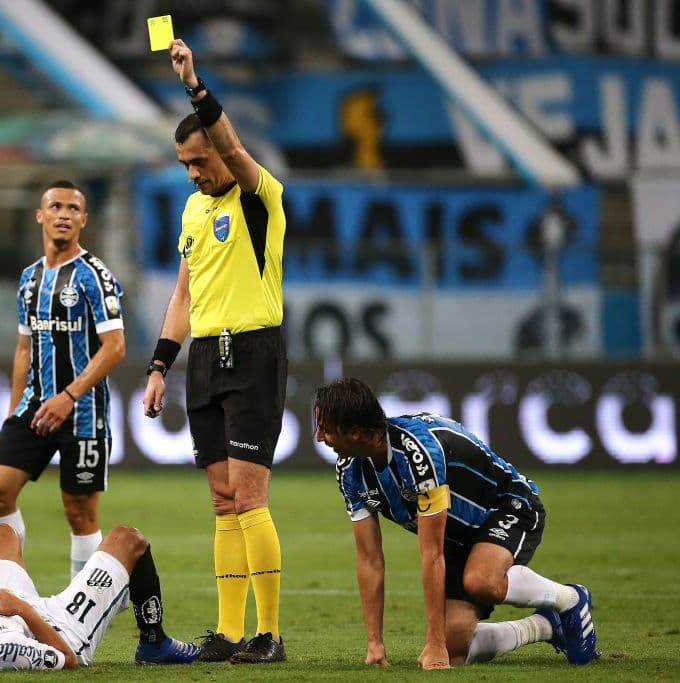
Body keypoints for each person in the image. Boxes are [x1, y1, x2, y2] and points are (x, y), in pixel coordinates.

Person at [141, 39, 287, 664]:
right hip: (204, 358)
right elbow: (183, 294)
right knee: (224, 500)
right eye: (184, 165)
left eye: (199, 161)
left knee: (252, 497)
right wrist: (157, 367)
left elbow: (229, 145)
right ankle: (230, 632)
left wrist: (194, 85)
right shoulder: (195, 210)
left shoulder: (259, 197)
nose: (195, 173)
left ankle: (270, 635)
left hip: (254, 351)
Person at [313, 377, 600, 669]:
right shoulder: (350, 471)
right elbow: (370, 559)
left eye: (326, 429)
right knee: (456, 648)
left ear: (357, 433)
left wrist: (433, 644)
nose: (319, 436)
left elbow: (432, 554)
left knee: (480, 581)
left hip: (506, 505)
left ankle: (571, 599)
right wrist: (375, 644)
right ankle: (544, 626)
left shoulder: (418, 453)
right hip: (456, 538)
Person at [0, 180, 125, 578]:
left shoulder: (95, 276)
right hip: (35, 406)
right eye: (56, 206)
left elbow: (114, 346)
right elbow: (24, 351)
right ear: (40, 216)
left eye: (73, 208)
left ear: (83, 219)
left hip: (82, 412)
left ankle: (84, 607)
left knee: (79, 512)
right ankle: (10, 588)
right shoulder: (29, 280)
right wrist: (10, 417)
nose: (64, 214)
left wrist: (69, 395)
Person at [0, 524, 200, 671]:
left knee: (0, 533)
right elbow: (67, 659)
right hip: (56, 627)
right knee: (128, 539)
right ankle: (154, 643)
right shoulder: (2, 650)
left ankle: (113, 593)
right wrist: (19, 608)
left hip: (11, 609)